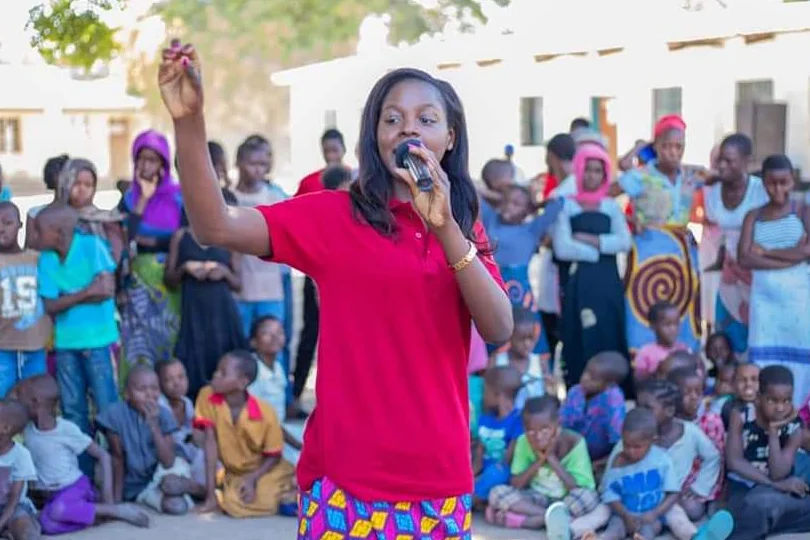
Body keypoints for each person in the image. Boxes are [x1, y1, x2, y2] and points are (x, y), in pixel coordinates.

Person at [159, 42, 511, 538]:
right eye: (392, 119)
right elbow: (214, 226)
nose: (408, 128)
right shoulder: (335, 216)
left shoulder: (465, 228)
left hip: (436, 481)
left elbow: (499, 326)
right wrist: (188, 122)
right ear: (375, 137)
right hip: (344, 486)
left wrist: (446, 227)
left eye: (426, 119)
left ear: (449, 139)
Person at [617, 114, 704, 355]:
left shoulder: (690, 175)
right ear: (656, 146)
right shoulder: (642, 175)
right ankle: (644, 362)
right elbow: (609, 190)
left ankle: (684, 364)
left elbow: (720, 175)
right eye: (666, 146)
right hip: (648, 250)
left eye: (679, 147)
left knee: (682, 306)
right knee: (644, 304)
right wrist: (629, 220)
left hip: (682, 252)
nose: (673, 152)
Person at [19, 375, 149, 534]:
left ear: (35, 402)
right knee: (47, 525)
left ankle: (113, 510)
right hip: (51, 496)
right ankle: (93, 517)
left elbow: (103, 455)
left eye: (21, 399)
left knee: (57, 511)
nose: (18, 404)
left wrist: (108, 500)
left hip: (74, 487)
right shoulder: (28, 430)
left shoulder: (66, 429)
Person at [35, 203, 119, 440]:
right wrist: (86, 291)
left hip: (98, 342)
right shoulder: (46, 259)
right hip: (65, 345)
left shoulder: (92, 247)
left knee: (107, 408)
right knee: (73, 410)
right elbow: (49, 306)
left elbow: (106, 290)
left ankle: (115, 466)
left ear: (59, 233)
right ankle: (84, 471)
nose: (35, 236)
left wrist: (67, 298)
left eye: (40, 231)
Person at [551, 143, 631, 388]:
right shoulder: (566, 205)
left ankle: (613, 390)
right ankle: (580, 389)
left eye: (598, 171)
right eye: (588, 170)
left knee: (608, 331)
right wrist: (598, 252)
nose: (592, 175)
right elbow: (562, 248)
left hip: (607, 284)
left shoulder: (611, 207)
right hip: (579, 283)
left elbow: (625, 242)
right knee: (580, 334)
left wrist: (589, 239)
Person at [739, 154, 810, 407]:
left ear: (793, 181)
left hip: (798, 302)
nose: (778, 189)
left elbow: (808, 252)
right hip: (765, 302)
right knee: (763, 354)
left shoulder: (802, 210)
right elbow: (744, 258)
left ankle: (798, 412)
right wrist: (793, 256)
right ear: (763, 183)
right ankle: (764, 411)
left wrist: (765, 251)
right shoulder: (753, 216)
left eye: (784, 182)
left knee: (801, 355)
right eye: (772, 183)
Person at [600, 407, 732, 540]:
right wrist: (625, 514)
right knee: (614, 529)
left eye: (637, 447)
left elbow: (673, 493)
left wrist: (655, 513)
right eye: (626, 445)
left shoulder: (662, 460)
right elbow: (610, 494)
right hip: (625, 513)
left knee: (675, 519)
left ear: (653, 441)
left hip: (655, 512)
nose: (630, 451)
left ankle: (697, 536)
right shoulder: (618, 461)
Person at [193, 350, 298, 517]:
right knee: (235, 503)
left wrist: (252, 478)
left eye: (223, 373)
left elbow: (273, 455)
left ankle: (291, 492)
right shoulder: (206, 396)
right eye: (216, 370)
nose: (215, 375)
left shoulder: (265, 412)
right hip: (234, 473)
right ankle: (287, 497)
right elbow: (210, 444)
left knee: (243, 500)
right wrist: (210, 496)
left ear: (242, 383)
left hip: (265, 470)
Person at [290, 130, 348, 420]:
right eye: (327, 149)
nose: (331, 154)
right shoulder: (310, 183)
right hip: (315, 270)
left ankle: (339, 401)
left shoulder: (359, 183)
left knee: (345, 339)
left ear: (343, 149)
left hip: (348, 280)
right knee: (311, 334)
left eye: (335, 149)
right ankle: (296, 393)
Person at [487, 396, 604, 538]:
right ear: (524, 429)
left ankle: (527, 521)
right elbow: (516, 483)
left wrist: (551, 458)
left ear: (557, 425)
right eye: (531, 431)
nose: (538, 437)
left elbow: (577, 488)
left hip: (566, 500)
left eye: (545, 430)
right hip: (535, 497)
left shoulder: (575, 442)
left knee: (589, 497)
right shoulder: (523, 442)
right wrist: (539, 461)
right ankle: (551, 518)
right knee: (497, 493)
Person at [118, 129, 183, 375]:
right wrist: (143, 199)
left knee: (169, 337)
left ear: (163, 163)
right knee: (137, 342)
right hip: (137, 283)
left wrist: (151, 242)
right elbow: (126, 237)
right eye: (141, 159)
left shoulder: (178, 198)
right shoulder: (128, 198)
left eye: (152, 159)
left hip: (171, 281)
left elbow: (184, 236)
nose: (146, 165)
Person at [165, 205, 246, 399]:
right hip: (193, 312)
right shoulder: (181, 236)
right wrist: (185, 268)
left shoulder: (227, 237)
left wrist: (223, 272)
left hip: (222, 313)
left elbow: (239, 284)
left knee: (222, 359)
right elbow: (169, 280)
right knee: (193, 361)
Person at [96, 366, 198, 515]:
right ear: (127, 394)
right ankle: (175, 491)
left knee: (170, 483)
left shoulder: (163, 414)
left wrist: (154, 425)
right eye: (142, 389)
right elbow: (117, 458)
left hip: (163, 472)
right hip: (138, 484)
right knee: (176, 507)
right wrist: (116, 503)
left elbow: (168, 462)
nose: (149, 394)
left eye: (154, 388)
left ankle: (197, 489)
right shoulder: (114, 415)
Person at [725, 365, 810, 540]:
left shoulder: (795, 425)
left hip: (780, 489)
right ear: (758, 398)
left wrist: (773, 432)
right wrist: (775, 484)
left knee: (770, 505)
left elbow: (779, 472)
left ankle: (765, 522)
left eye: (787, 400)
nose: (780, 408)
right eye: (772, 400)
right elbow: (734, 462)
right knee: (759, 505)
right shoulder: (741, 414)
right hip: (746, 488)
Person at [480, 183, 562, 360]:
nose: (510, 206)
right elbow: (473, 190)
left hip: (521, 297)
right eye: (507, 201)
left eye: (517, 204)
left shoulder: (532, 230)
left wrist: (537, 205)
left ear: (526, 211)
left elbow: (558, 204)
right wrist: (495, 196)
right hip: (491, 289)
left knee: (526, 338)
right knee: (493, 339)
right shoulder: (490, 220)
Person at [703, 134, 767, 354]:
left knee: (758, 331)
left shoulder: (761, 190)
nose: (722, 165)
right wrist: (721, 261)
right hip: (731, 272)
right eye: (720, 159)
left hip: (758, 272)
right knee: (729, 333)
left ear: (746, 161)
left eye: (729, 161)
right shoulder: (713, 193)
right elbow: (721, 233)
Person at [636, 379, 721, 524]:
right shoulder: (637, 431)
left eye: (647, 408)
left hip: (675, 493)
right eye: (638, 407)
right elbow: (619, 457)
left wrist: (700, 487)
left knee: (693, 509)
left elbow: (713, 457)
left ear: (669, 411)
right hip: (643, 491)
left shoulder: (690, 432)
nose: (640, 413)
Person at [231, 138, 289, 338]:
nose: (257, 170)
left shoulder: (275, 198)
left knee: (273, 344)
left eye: (263, 165)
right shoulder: (230, 199)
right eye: (252, 164)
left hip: (271, 289)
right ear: (238, 162)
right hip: (240, 290)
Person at [0, 202, 51, 398]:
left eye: (7, 222)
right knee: (4, 397)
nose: (1, 228)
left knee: (37, 397)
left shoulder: (37, 259)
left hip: (35, 345)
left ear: (20, 225)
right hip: (3, 346)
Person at [246, 316, 303, 464]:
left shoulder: (277, 366)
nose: (274, 337)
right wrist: (299, 446)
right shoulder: (253, 371)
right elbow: (262, 421)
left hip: (281, 429)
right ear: (253, 341)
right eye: (266, 333)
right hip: (263, 437)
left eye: (279, 332)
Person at [560, 352, 628, 469]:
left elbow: (617, 439)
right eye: (586, 371)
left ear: (609, 384)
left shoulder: (613, 400)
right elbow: (563, 422)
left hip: (599, 456)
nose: (585, 378)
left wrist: (600, 463)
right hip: (572, 452)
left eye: (593, 378)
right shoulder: (575, 392)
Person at [667, 367, 725, 504]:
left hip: (701, 481)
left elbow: (716, 460)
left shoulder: (710, 421)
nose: (694, 397)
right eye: (687, 393)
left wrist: (700, 488)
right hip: (673, 482)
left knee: (691, 508)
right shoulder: (667, 421)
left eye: (698, 392)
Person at [54, 158, 125, 264]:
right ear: (66, 183)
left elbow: (115, 258)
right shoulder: (51, 220)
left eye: (88, 185)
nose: (82, 189)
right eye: (76, 183)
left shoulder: (107, 220)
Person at [472, 366, 523, 506]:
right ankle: (471, 494)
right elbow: (479, 456)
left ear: (498, 395)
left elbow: (509, 461)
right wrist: (473, 474)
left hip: (502, 472)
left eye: (485, 392)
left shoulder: (517, 421)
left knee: (497, 472)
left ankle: (470, 500)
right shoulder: (485, 419)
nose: (483, 396)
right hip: (484, 470)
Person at [156, 359, 207, 487]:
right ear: (159, 385)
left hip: (186, 452)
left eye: (181, 377)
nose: (177, 383)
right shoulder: (160, 406)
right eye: (169, 380)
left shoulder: (187, 402)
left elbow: (191, 435)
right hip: (169, 456)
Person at [0, 399, 41, 540]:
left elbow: (14, 499)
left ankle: (9, 529)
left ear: (5, 429)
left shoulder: (21, 455)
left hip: (14, 507)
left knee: (25, 531)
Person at [492, 306, 549, 407]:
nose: (527, 343)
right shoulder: (497, 361)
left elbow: (546, 397)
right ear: (510, 336)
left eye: (531, 338)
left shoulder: (540, 363)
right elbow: (489, 398)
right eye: (521, 339)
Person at [633, 301, 690, 383]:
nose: (673, 329)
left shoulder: (684, 349)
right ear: (653, 326)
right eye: (667, 324)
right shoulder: (646, 352)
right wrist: (658, 372)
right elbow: (639, 381)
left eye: (676, 324)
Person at [720, 363, 760, 429]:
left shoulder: (767, 407)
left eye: (754, 379)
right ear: (733, 384)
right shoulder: (728, 406)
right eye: (742, 380)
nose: (748, 384)